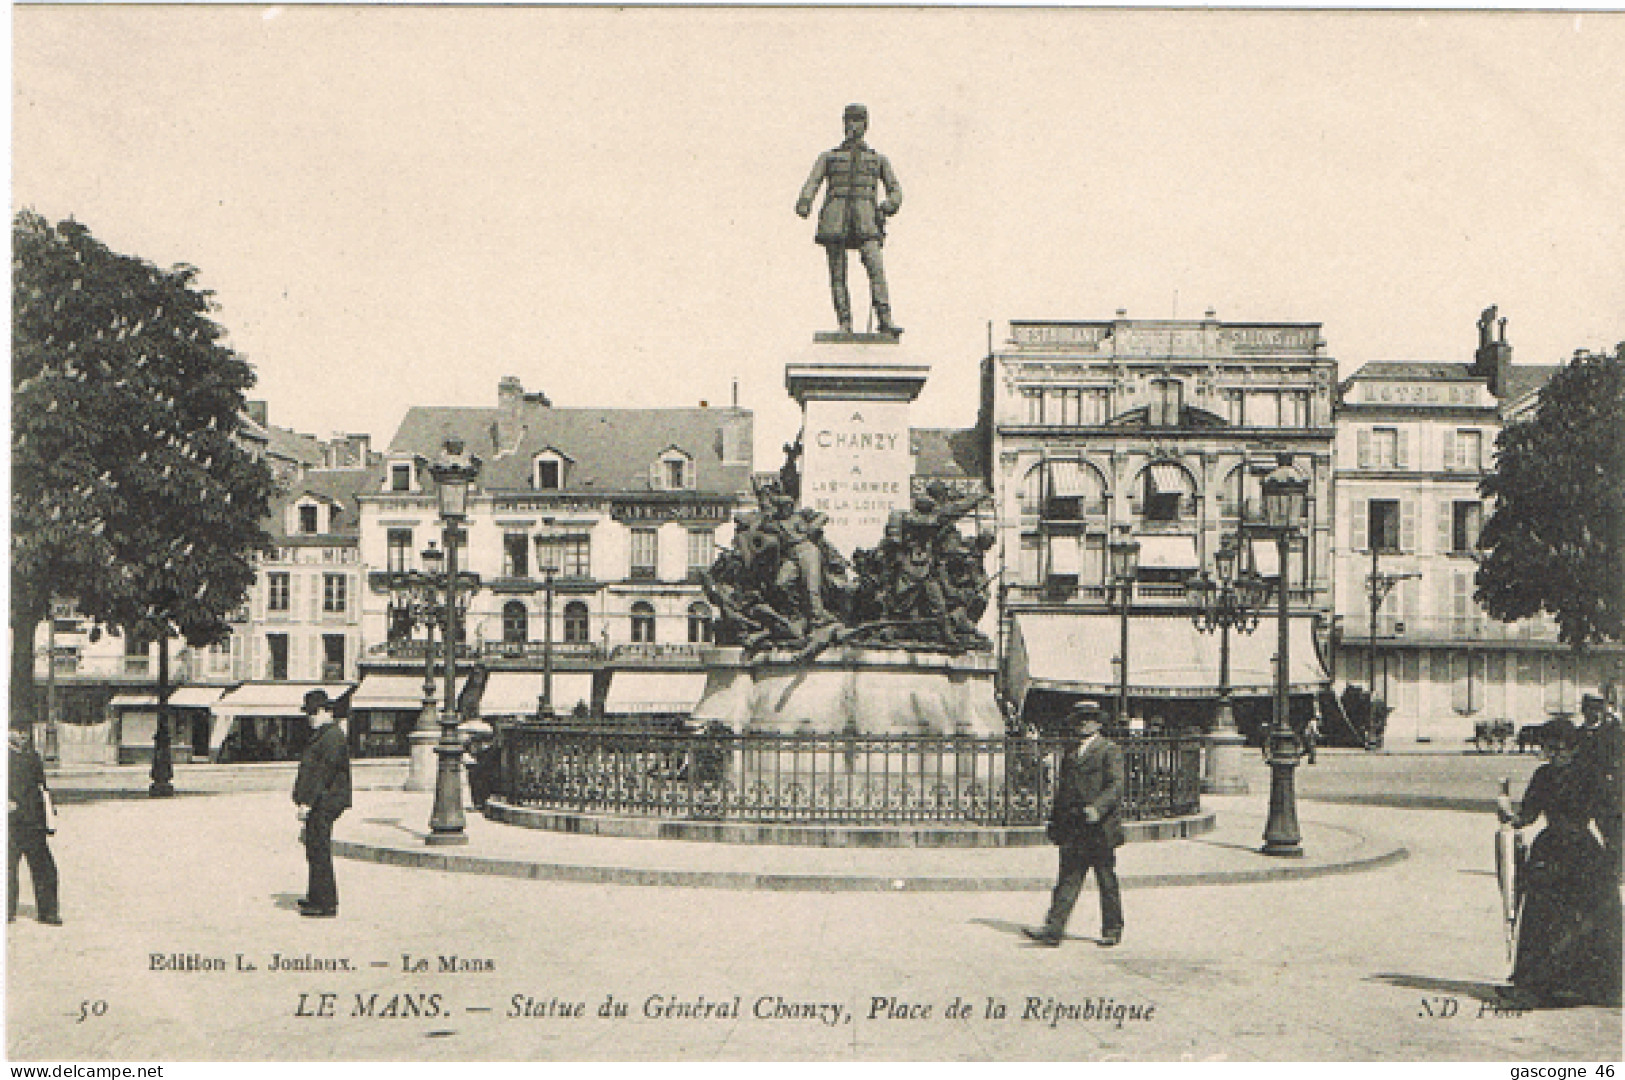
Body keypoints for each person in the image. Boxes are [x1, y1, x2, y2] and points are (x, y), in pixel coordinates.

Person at [1496, 718, 1622, 1007]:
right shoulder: (1543, 776)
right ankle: (1537, 985)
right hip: (1550, 849)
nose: (1552, 754)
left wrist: (1616, 856)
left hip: (1583, 853)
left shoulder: (1592, 777)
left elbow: (1608, 820)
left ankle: (1591, 986)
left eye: (1558, 748)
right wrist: (1508, 814)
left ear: (1574, 748)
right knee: (1543, 917)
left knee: (1589, 917)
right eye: (1548, 748)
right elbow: (1527, 815)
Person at [796, 103, 904, 336]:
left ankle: (885, 319)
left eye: (857, 121)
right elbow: (812, 182)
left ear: (866, 125)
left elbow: (896, 190)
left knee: (876, 269)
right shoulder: (829, 157)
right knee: (837, 274)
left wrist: (889, 205)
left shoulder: (878, 160)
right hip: (835, 218)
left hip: (866, 219)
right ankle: (844, 322)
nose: (852, 126)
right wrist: (805, 201)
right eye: (848, 121)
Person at [1025, 702, 1125, 948]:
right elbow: (1064, 791)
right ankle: (1053, 929)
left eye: (1089, 718)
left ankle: (1112, 929)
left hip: (1099, 827)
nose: (1083, 723)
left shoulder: (1108, 749)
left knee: (1106, 879)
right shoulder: (1071, 752)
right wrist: (1055, 821)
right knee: (1067, 878)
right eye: (1080, 718)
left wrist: (1098, 808)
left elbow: (1116, 786)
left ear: (1099, 723)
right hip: (1074, 826)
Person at [292, 690, 351, 918]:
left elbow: (323, 773)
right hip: (321, 799)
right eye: (308, 713)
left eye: (314, 712)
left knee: (319, 847)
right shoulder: (324, 735)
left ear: (328, 711)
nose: (311, 717)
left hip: (325, 800)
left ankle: (326, 903)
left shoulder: (332, 736)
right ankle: (316, 896)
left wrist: (307, 802)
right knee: (314, 846)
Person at [8, 726, 61, 925]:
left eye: (24, 732)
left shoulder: (32, 757)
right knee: (7, 867)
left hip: (33, 821)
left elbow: (42, 787)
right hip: (9, 822)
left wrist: (48, 812)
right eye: (15, 730)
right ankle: (6, 910)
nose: (22, 735)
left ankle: (48, 912)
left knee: (45, 867)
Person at [1575, 692, 1623, 877]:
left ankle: (1615, 870)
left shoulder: (1612, 734)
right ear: (1583, 711)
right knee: (1577, 831)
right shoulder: (1577, 735)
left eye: (1596, 710)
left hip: (1606, 793)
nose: (1593, 714)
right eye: (1589, 709)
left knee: (1612, 833)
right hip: (1581, 792)